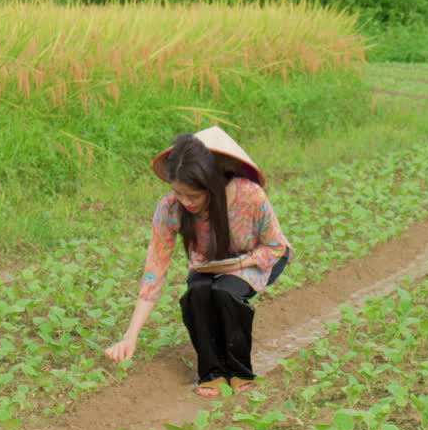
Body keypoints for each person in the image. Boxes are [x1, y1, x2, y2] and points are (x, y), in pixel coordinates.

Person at [104, 126, 292, 397]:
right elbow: (154, 271)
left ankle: (239, 371)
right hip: (209, 264)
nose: (185, 201)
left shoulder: (248, 196)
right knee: (197, 295)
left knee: (226, 292)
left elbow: (275, 246)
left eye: (194, 195)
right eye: (179, 193)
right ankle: (212, 373)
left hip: (259, 258)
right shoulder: (170, 208)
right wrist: (130, 336)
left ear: (213, 185)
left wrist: (237, 265)